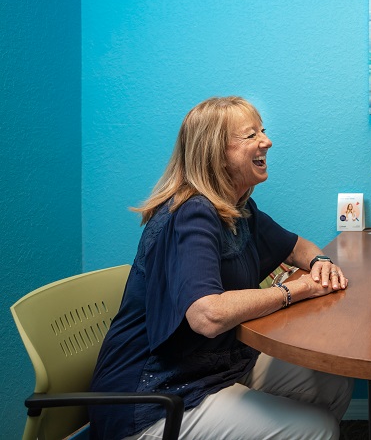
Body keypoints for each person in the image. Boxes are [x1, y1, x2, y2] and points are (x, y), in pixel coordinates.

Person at [89, 96, 354, 440]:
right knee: (318, 429)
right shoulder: (190, 214)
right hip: (157, 394)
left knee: (331, 384)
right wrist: (295, 290)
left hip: (217, 365)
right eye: (250, 135)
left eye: (263, 131)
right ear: (215, 153)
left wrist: (321, 263)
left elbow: (297, 247)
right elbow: (207, 316)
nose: (267, 141)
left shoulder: (237, 207)